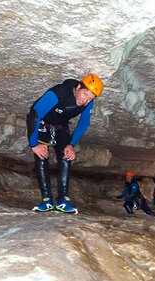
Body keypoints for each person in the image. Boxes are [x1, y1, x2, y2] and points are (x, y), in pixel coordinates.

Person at [26, 74, 103, 214]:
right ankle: (46, 200)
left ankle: (62, 200)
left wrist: (71, 144)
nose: (85, 100)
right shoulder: (58, 93)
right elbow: (34, 114)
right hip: (42, 121)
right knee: (42, 156)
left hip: (60, 125)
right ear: (78, 87)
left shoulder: (88, 101)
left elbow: (84, 122)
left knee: (66, 156)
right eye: (84, 94)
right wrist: (34, 145)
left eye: (90, 98)